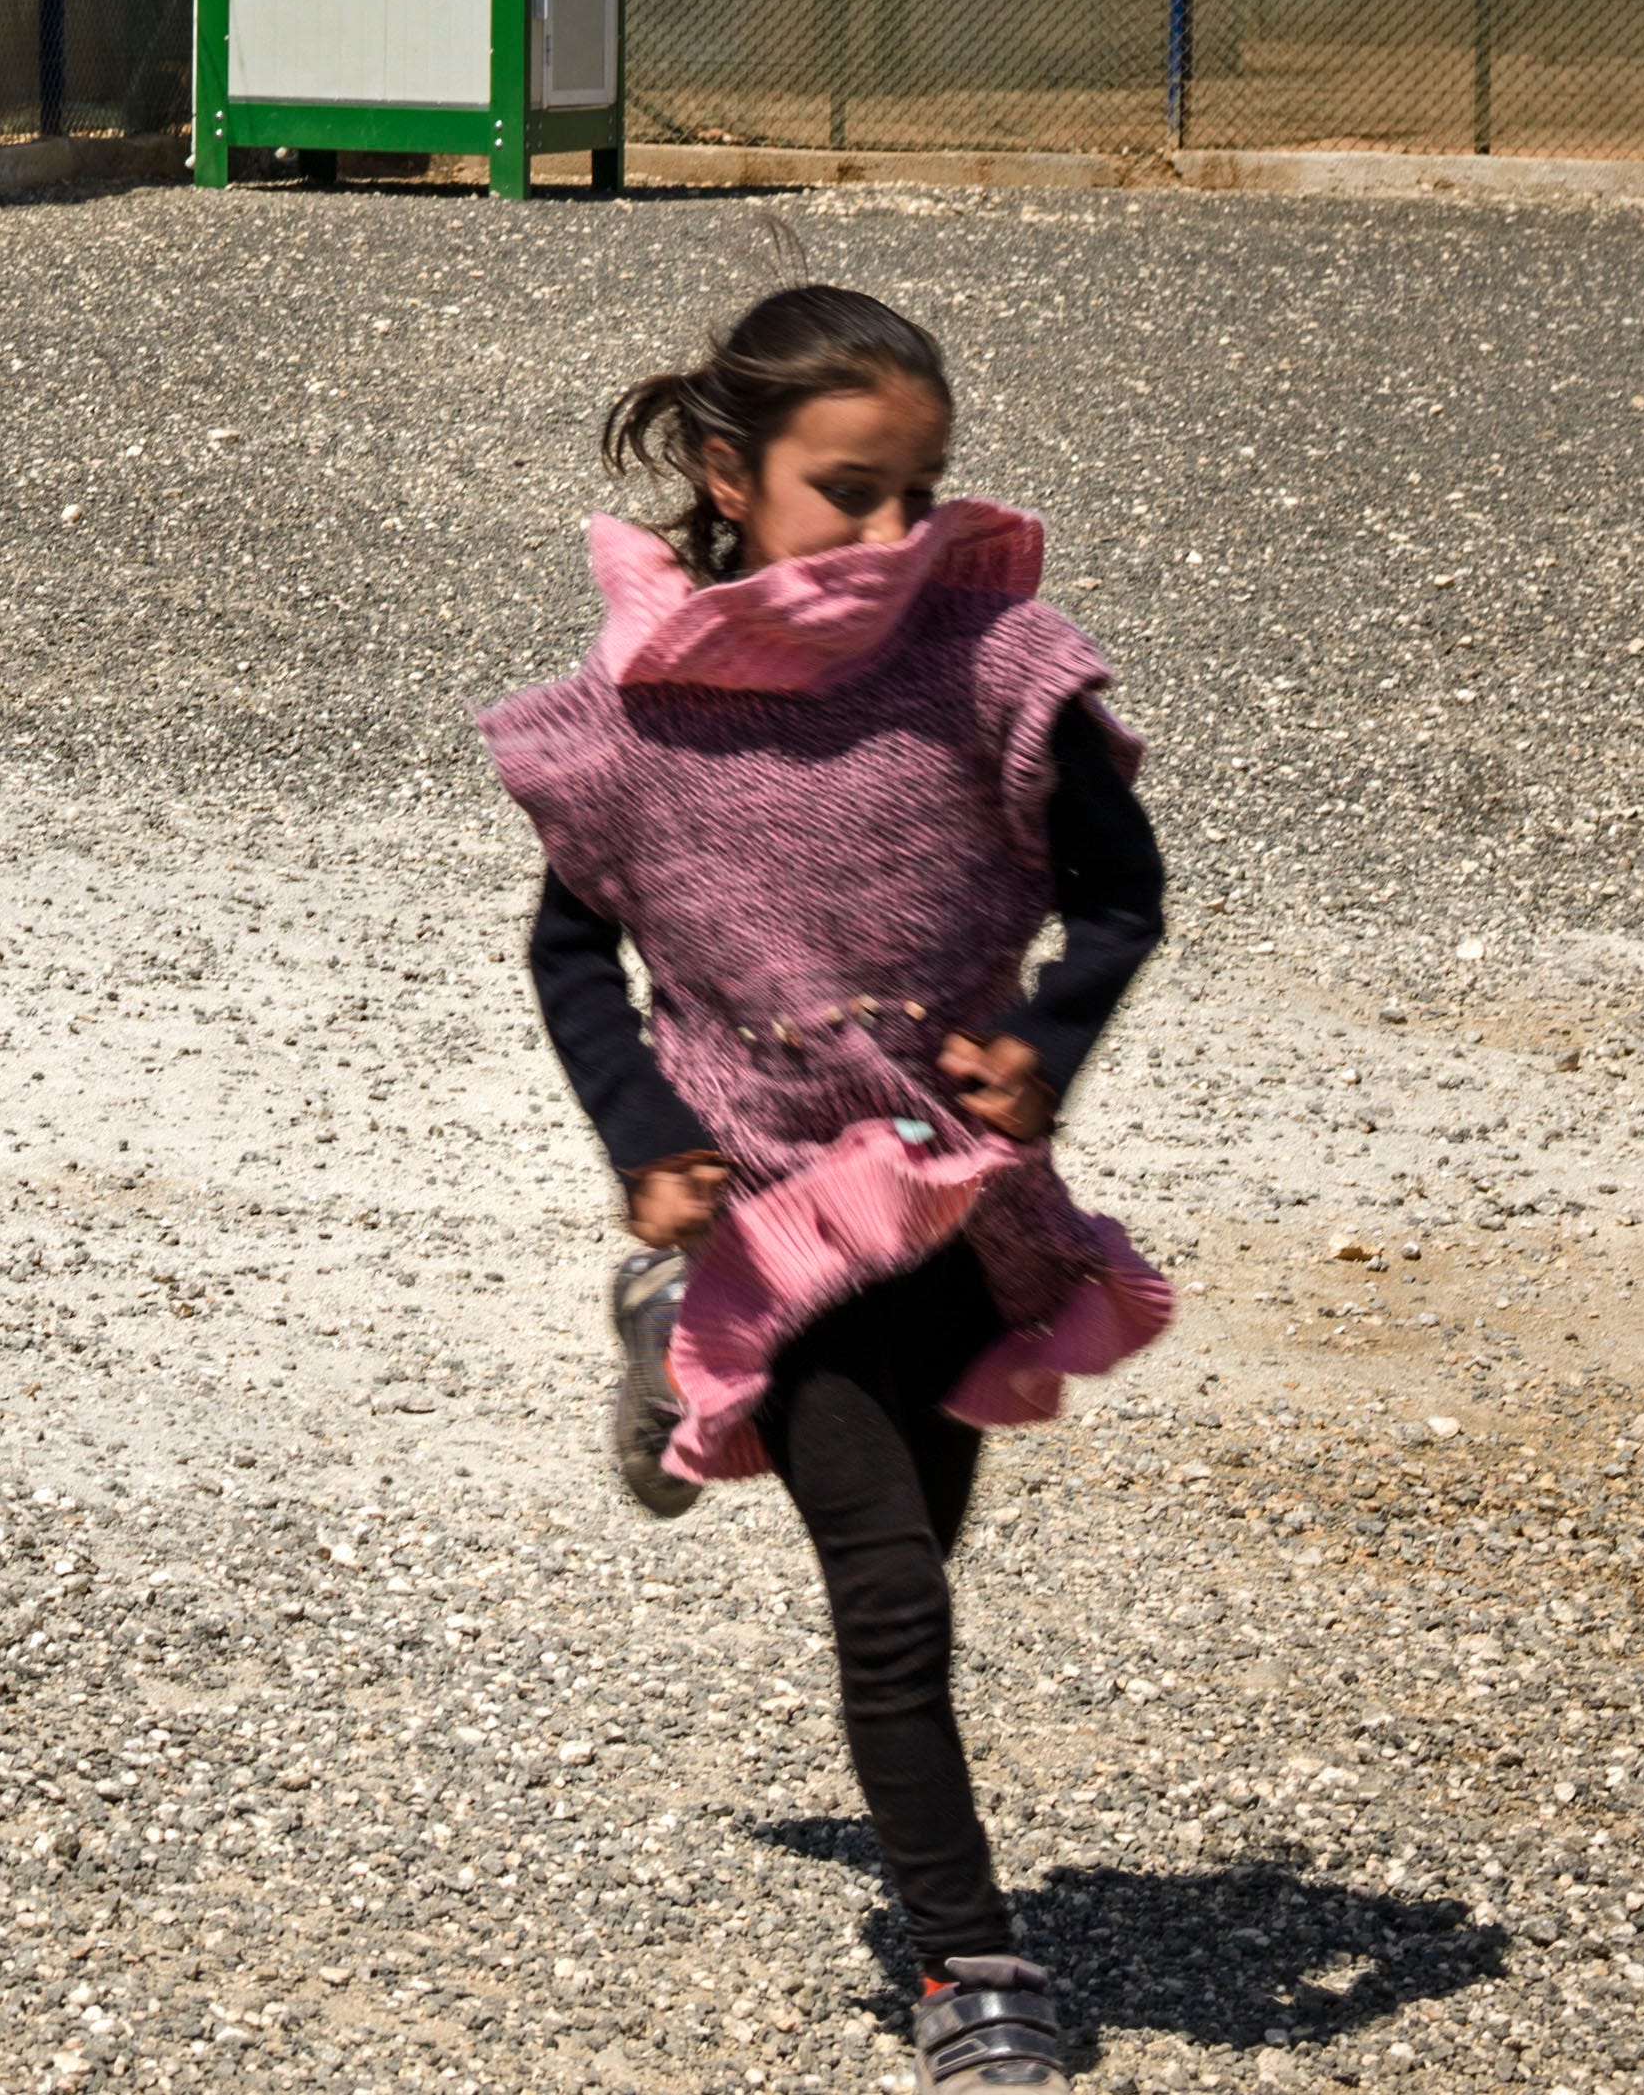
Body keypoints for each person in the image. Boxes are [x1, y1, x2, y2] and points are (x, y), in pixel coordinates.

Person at [482, 284, 1173, 2091]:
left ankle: (666, 1359)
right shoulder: (635, 718)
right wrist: (644, 1133)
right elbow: (572, 951)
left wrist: (1050, 1034)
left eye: (916, 492)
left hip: (953, 1198)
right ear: (731, 473)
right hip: (767, 1215)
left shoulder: (994, 663)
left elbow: (1120, 896)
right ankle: (968, 1966)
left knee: (920, 1549)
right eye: (845, 491)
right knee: (890, 1588)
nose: (887, 531)